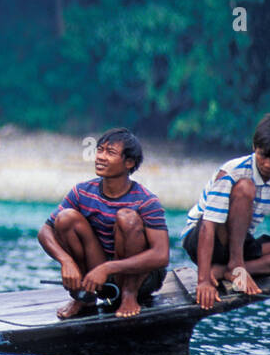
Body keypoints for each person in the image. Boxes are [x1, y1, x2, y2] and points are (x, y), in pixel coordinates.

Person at [37, 128, 171, 318]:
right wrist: (65, 261)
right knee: (66, 217)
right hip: (98, 276)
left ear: (129, 163)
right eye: (99, 150)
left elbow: (161, 255)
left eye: (110, 153)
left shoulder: (146, 201)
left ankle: (128, 295)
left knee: (127, 218)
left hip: (141, 279)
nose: (100, 157)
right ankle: (84, 297)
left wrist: (107, 268)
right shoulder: (82, 191)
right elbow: (44, 231)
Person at [183, 113, 270, 310]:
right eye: (263, 155)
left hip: (238, 242)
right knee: (245, 188)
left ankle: (226, 269)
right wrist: (204, 279)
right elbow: (208, 226)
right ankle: (234, 266)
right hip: (204, 237)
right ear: (254, 147)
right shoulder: (233, 171)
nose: (267, 164)